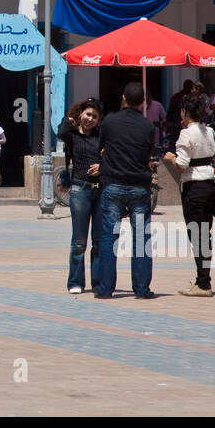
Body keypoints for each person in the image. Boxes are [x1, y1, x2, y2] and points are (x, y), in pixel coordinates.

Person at [94, 82, 158, 300]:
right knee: (141, 238)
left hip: (113, 185)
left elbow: (101, 146)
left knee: (108, 238)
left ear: (123, 98)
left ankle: (105, 289)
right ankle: (141, 289)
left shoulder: (110, 121)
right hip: (139, 186)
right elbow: (149, 152)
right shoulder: (148, 126)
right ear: (143, 102)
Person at [164, 93, 215, 297]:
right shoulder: (209, 131)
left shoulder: (186, 134)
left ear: (185, 111)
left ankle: (203, 283)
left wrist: (170, 157)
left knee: (196, 234)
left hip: (194, 187)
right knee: (205, 233)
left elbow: (182, 165)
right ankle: (203, 279)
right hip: (209, 185)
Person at [59, 98, 103, 295]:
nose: (90, 119)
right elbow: (60, 133)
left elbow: (111, 156)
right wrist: (67, 119)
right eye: (87, 114)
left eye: (94, 116)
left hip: (101, 190)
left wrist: (102, 167)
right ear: (80, 114)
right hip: (80, 189)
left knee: (100, 240)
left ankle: (98, 282)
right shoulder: (72, 136)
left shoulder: (101, 136)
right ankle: (75, 282)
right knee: (79, 241)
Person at [166, 79, 195, 148]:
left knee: (175, 147)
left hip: (175, 126)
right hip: (187, 126)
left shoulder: (175, 96)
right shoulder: (192, 98)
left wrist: (168, 126)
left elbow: (170, 112)